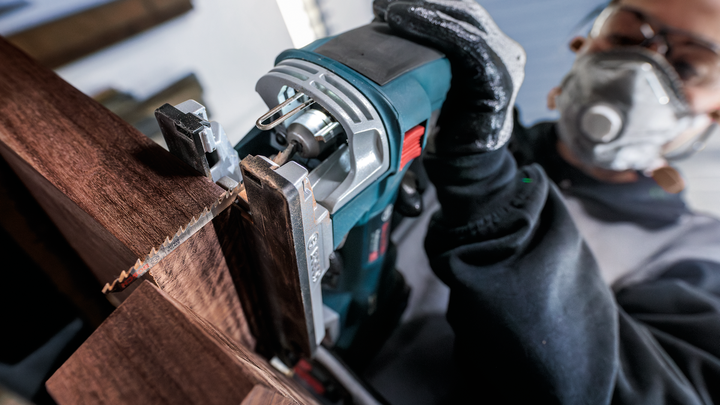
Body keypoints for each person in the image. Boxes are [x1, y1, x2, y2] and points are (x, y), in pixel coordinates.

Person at [373, 0, 720, 403]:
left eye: (689, 66)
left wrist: (490, 191)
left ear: (715, 110)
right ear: (582, 45)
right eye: (625, 36)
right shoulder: (448, 129)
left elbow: (654, 392)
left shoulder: (697, 249)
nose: (640, 68)